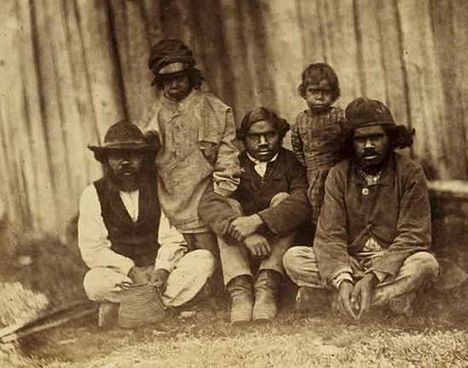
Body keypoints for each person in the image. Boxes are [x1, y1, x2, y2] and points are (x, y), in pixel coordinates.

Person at [283, 97, 439, 319]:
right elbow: (329, 236)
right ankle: (382, 299)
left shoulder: (410, 172)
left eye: (376, 137)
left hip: (391, 258)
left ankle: (340, 301)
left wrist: (373, 276)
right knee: (294, 258)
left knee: (425, 264)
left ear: (391, 137)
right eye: (360, 139)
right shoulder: (338, 174)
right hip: (350, 260)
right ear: (350, 143)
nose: (368, 146)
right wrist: (343, 278)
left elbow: (415, 235)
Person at [78, 121, 215, 326]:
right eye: (117, 155)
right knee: (93, 282)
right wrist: (131, 270)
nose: (125, 162)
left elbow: (173, 238)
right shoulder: (93, 193)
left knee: (203, 259)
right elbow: (93, 249)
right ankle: (160, 306)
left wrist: (162, 269)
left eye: (132, 154)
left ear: (143, 157)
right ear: (106, 159)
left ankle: (125, 308)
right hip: (123, 275)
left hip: (159, 276)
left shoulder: (160, 188)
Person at [199, 107, 311, 325]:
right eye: (254, 137)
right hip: (243, 249)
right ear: (243, 139)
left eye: (269, 135)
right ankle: (240, 292)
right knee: (227, 205)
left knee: (283, 198)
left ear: (279, 135)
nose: (262, 142)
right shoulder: (234, 165)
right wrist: (244, 233)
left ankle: (266, 288)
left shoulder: (292, 164)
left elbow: (303, 202)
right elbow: (208, 203)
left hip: (276, 247)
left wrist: (257, 221)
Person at [142, 39, 240, 258]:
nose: (173, 85)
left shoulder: (213, 108)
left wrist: (220, 194)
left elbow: (227, 156)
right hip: (169, 198)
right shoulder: (155, 112)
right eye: (167, 81)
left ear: (190, 76)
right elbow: (148, 144)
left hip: (204, 196)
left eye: (178, 78)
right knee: (180, 258)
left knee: (211, 256)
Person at [290, 63, 347, 225]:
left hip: (337, 168)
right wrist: (308, 165)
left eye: (326, 92)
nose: (320, 97)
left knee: (339, 202)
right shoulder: (301, 120)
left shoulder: (339, 116)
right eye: (314, 91)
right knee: (315, 202)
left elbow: (348, 140)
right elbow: (297, 146)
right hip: (313, 171)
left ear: (334, 94)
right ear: (304, 93)